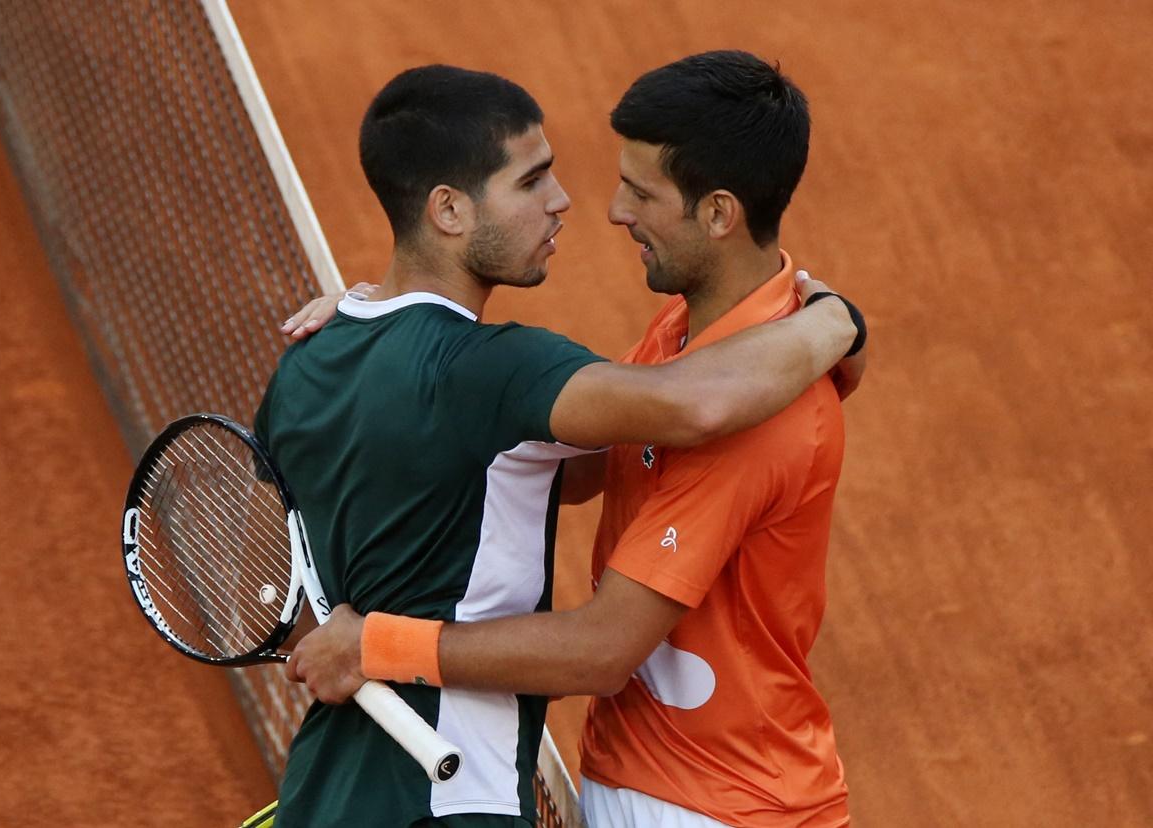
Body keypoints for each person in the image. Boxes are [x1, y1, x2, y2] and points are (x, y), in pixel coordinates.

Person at [262, 62, 862, 827]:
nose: (585, 205)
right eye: (532, 180)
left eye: (640, 193)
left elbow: (595, 479)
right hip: (467, 795)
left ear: (718, 214)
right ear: (448, 209)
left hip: (709, 801)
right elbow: (688, 409)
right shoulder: (519, 370)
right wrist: (839, 323)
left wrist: (362, 325)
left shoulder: (310, 359)